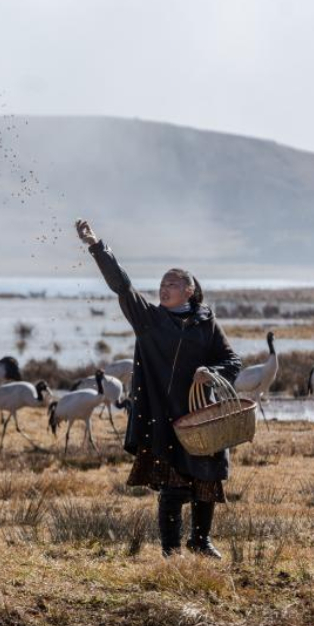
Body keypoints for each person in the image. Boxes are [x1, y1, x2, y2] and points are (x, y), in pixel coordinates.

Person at [76, 218, 241, 558]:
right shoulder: (149, 320)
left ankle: (201, 540)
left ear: (189, 291)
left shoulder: (206, 324)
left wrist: (211, 372)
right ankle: (171, 550)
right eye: (162, 283)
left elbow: (232, 362)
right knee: (173, 485)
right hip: (162, 414)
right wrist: (97, 247)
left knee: (206, 480)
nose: (163, 288)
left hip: (200, 414)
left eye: (172, 284)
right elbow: (123, 287)